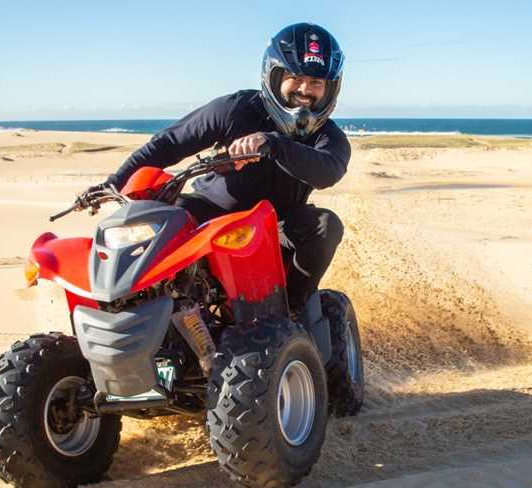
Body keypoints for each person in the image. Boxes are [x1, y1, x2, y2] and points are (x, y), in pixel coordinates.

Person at [87, 23, 350, 313]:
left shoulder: (329, 136)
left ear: (330, 88)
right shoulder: (236, 108)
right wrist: (114, 182)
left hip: (275, 226)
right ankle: (128, 312)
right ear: (274, 75)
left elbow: (329, 170)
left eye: (316, 83)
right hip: (207, 213)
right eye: (296, 77)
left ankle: (293, 314)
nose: (305, 90)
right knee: (153, 223)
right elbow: (169, 143)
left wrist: (272, 143)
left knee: (326, 225)